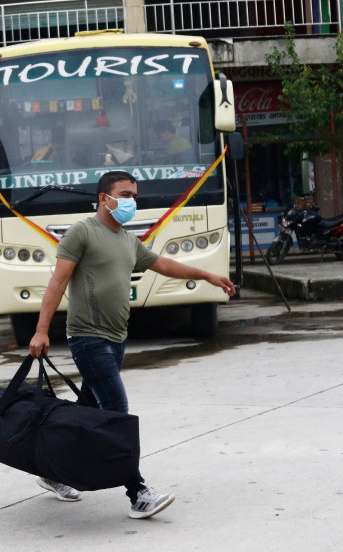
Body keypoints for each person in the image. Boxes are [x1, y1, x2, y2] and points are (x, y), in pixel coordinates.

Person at [29, 170, 236, 519]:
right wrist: (41, 330)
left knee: (87, 413)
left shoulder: (126, 239)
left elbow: (164, 264)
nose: (131, 202)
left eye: (134, 196)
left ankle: (51, 469)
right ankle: (137, 492)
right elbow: (58, 282)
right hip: (88, 337)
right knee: (117, 411)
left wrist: (207, 275)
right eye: (125, 194)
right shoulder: (82, 232)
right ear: (104, 199)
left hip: (116, 339)